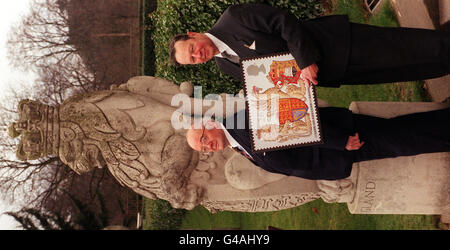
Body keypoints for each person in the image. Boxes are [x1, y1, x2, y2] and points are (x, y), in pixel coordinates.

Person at [170, 3, 450, 87]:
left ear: (194, 34)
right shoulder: (224, 65)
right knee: (406, 69)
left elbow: (283, 20)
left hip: (339, 44)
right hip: (335, 74)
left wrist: (304, 61)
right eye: (193, 60)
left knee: (413, 47)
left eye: (192, 49)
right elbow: (268, 86)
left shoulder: (233, 19)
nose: (198, 55)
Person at [186, 107, 450, 180]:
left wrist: (340, 141)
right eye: (203, 149)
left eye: (203, 139)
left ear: (209, 125)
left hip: (343, 140)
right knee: (401, 135)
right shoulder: (236, 142)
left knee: (403, 140)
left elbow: (296, 123)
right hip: (337, 153)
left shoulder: (243, 124)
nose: (208, 147)